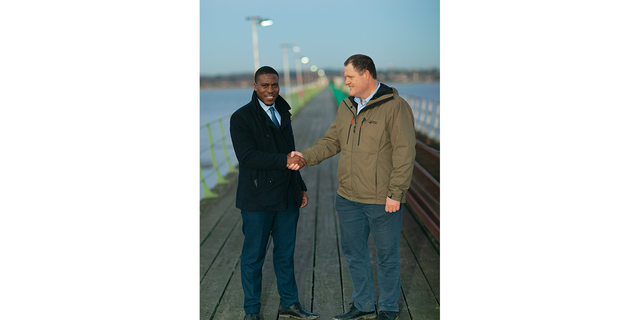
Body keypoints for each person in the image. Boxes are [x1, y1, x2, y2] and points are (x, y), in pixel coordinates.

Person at [291, 54, 416, 320]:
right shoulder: (346, 106)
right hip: (347, 197)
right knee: (354, 253)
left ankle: (389, 308)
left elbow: (405, 153)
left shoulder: (395, 106)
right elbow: (331, 141)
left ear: (366, 75)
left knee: (386, 257)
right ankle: (363, 304)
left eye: (350, 77)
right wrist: (305, 157)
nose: (345, 81)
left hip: (382, 198)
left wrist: (396, 193)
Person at [230, 66, 319, 320]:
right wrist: (284, 160)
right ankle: (252, 311)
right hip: (257, 198)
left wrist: (300, 186)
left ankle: (289, 303)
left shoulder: (283, 111)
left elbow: (289, 150)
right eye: (265, 86)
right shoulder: (241, 117)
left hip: (286, 195)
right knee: (253, 258)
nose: (271, 90)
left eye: (275, 85)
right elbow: (247, 156)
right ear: (255, 87)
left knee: (285, 254)